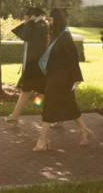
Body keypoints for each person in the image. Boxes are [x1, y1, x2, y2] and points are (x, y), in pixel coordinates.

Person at [34, 8, 91, 150]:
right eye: (49, 20)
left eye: (51, 20)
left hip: (62, 79)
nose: (49, 22)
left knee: (49, 106)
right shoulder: (56, 35)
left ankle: (42, 141)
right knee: (70, 106)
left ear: (58, 20)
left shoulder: (65, 37)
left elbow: (73, 59)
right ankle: (84, 131)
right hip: (54, 76)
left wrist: (76, 79)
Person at [6, 6, 49, 123]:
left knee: (36, 92)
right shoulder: (38, 25)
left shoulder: (41, 27)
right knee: (34, 91)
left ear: (32, 16)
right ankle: (16, 115)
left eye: (27, 16)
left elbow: (25, 35)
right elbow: (22, 34)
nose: (24, 18)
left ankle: (17, 115)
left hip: (37, 66)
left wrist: (29, 23)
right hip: (34, 66)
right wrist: (29, 22)